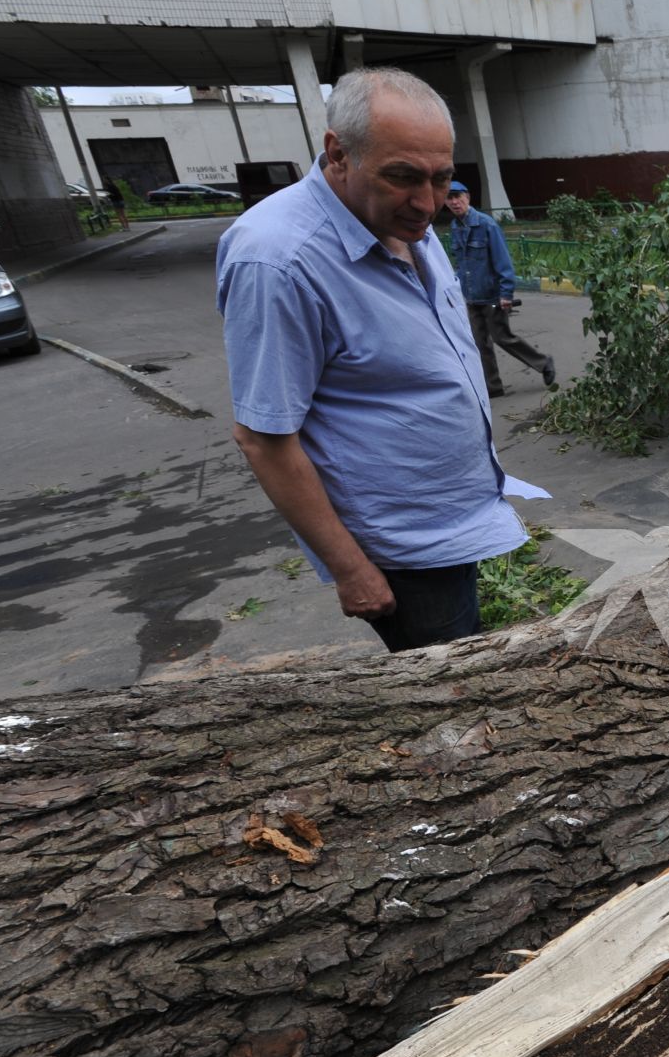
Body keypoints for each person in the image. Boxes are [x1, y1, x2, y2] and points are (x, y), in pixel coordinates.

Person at [215, 67, 548, 652]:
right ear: (338, 152)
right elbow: (264, 437)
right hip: (398, 551)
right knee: (449, 702)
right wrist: (350, 570)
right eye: (403, 177)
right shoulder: (277, 260)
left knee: (467, 663)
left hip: (452, 522)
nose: (428, 204)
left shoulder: (402, 220)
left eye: (442, 179)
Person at [444, 181, 554, 398]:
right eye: (450, 198)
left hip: (493, 295)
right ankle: (493, 387)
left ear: (468, 197)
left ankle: (543, 362)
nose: (455, 202)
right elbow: (461, 264)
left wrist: (506, 293)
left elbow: (503, 261)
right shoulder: (455, 228)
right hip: (472, 297)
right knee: (479, 343)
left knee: (502, 337)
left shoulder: (487, 225)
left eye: (458, 196)